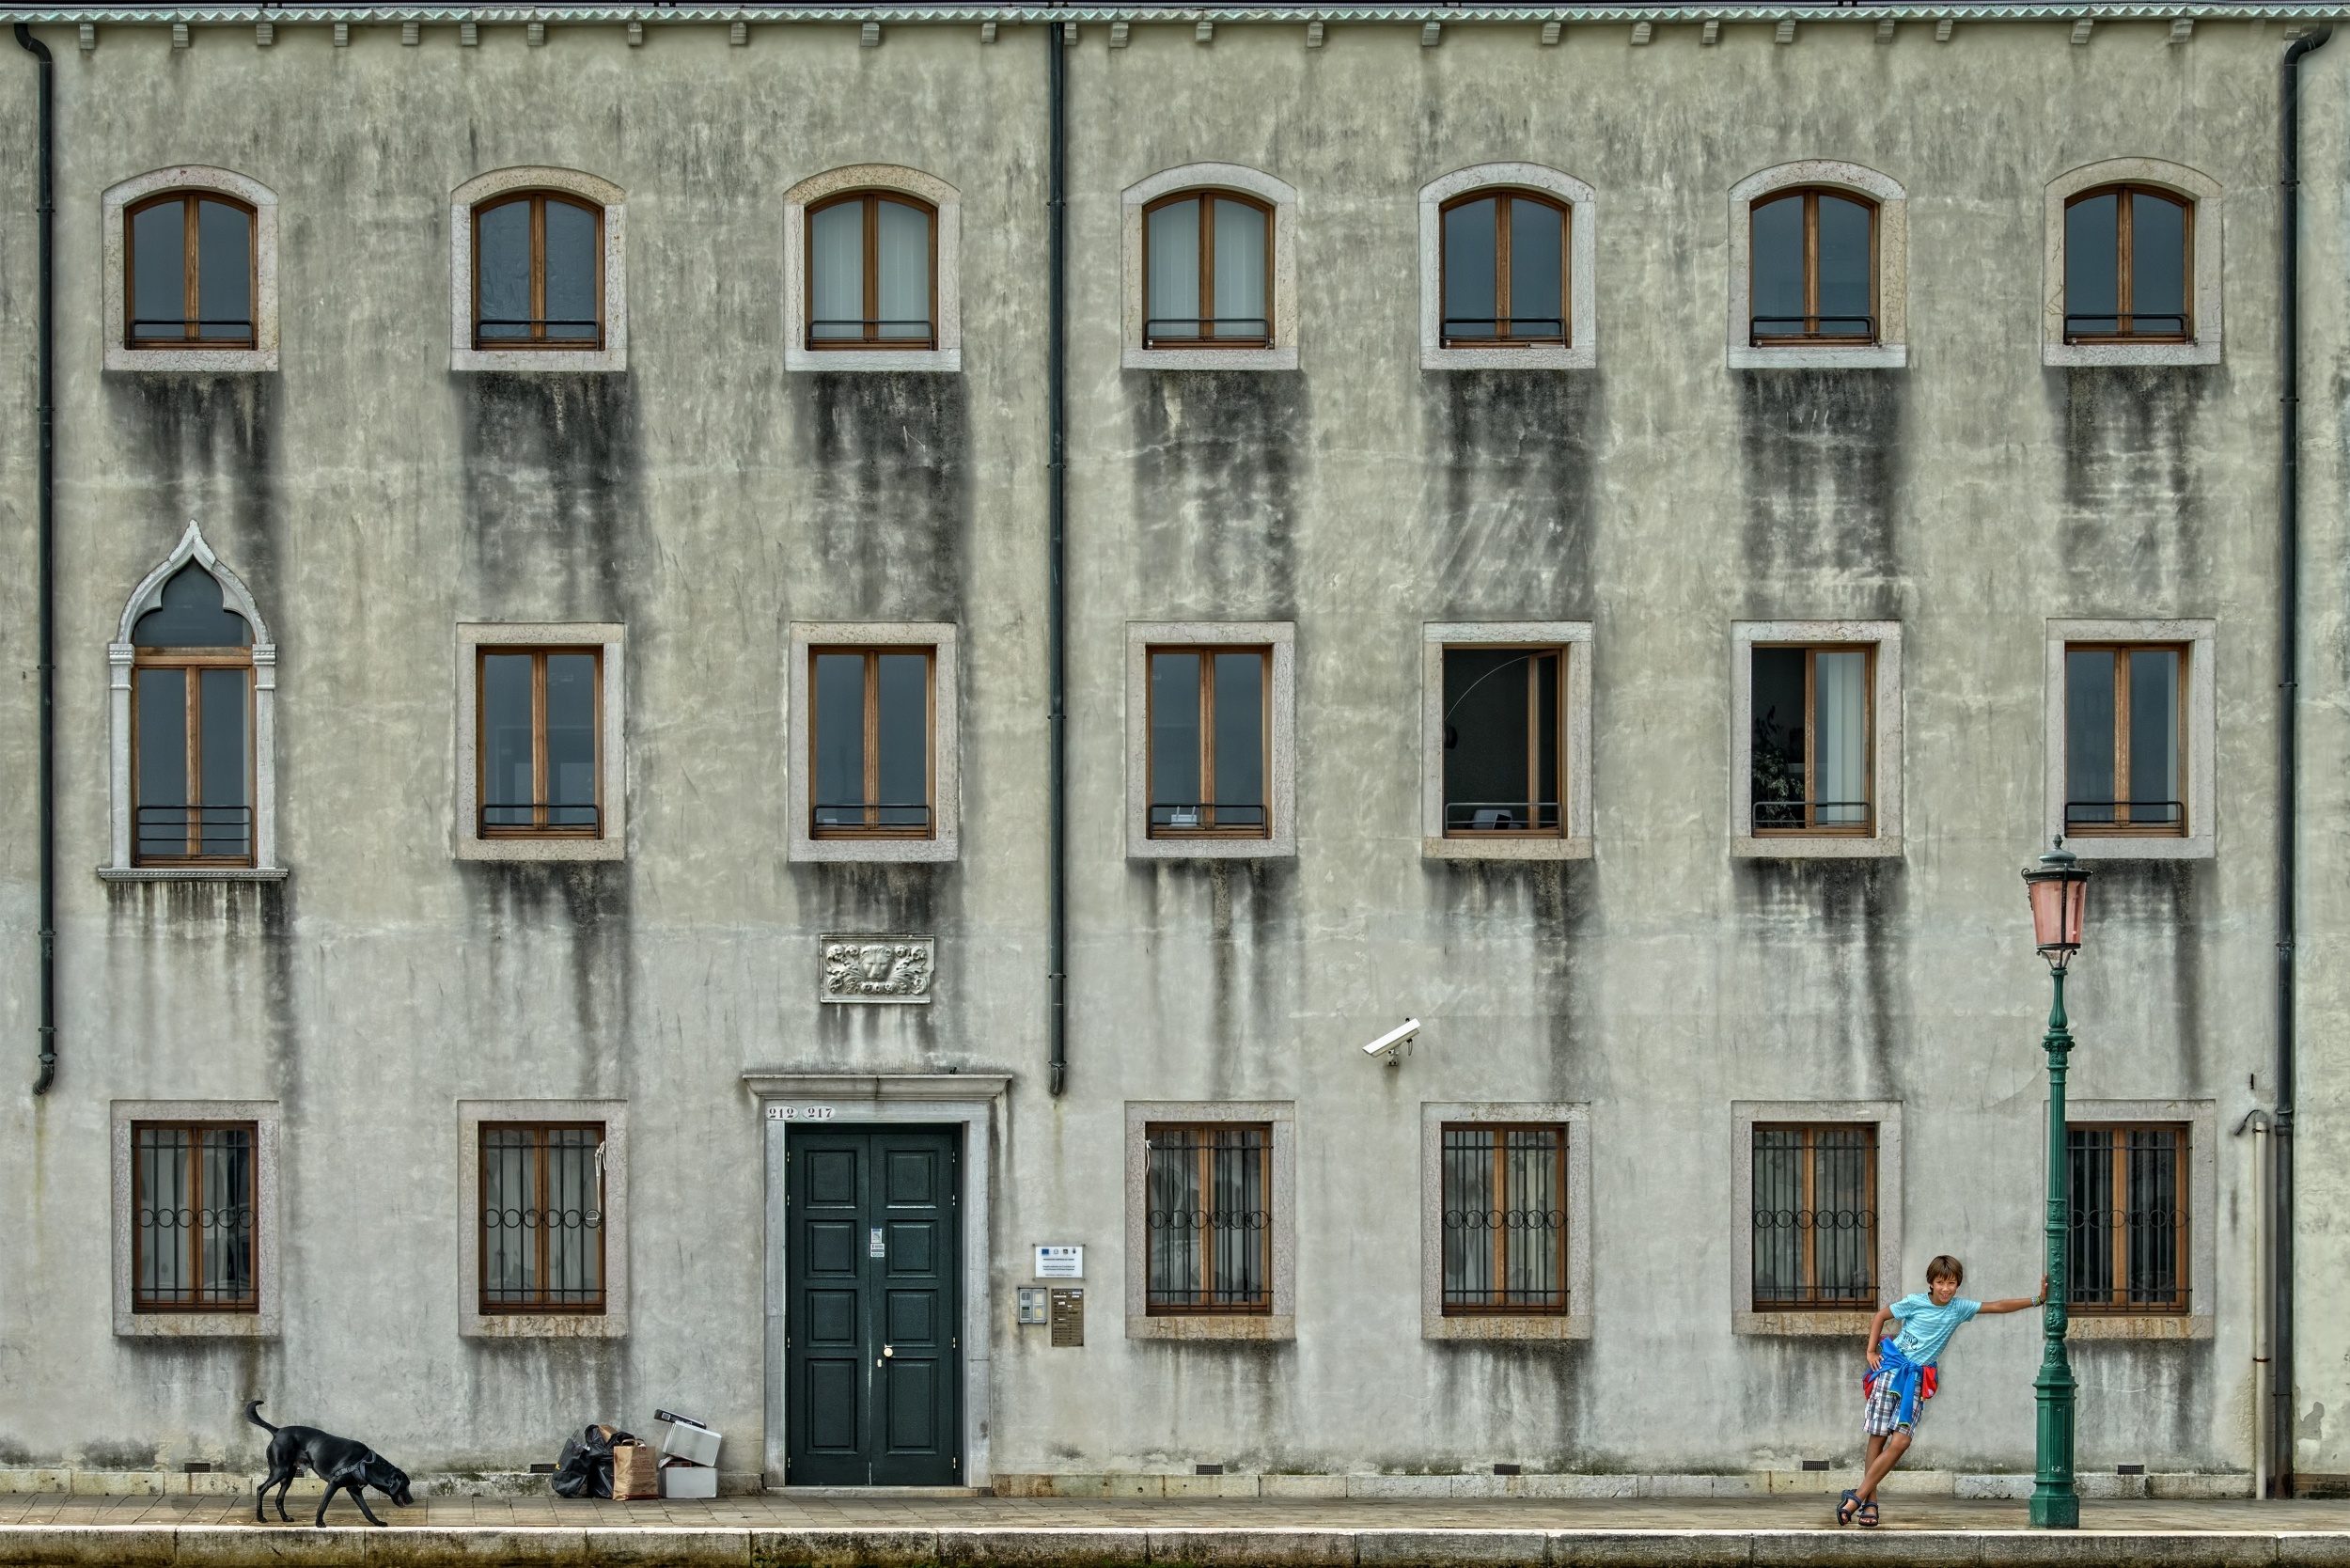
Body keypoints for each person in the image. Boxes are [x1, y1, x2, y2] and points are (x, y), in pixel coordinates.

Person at [1840, 1255, 2044, 1528]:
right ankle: (1869, 1503)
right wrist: (1870, 1351)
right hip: (1890, 1369)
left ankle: (1855, 1496)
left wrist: (2037, 1300)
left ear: (1958, 1284)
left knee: (1901, 1442)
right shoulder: (1915, 1302)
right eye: (1940, 1283)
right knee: (1878, 1438)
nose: (1946, 1289)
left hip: (1915, 1379)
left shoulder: (1959, 1308)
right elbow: (1881, 1316)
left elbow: (1997, 1306)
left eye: (1952, 1283)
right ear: (1931, 1283)